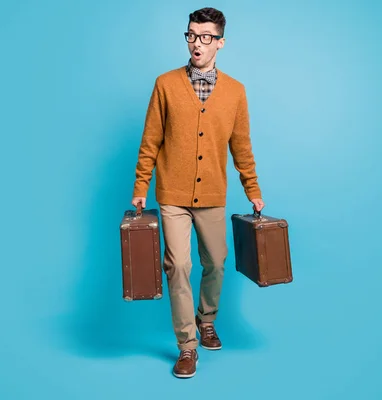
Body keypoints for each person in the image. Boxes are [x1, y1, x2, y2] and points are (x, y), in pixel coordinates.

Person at [131, 7, 265, 379]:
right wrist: (141, 186)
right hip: (171, 193)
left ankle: (206, 319)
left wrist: (252, 189)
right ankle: (187, 345)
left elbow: (242, 146)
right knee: (178, 265)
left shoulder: (236, 92)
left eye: (206, 37)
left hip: (213, 196)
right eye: (191, 35)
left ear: (220, 43)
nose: (197, 43)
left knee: (216, 263)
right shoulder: (165, 84)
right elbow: (150, 140)